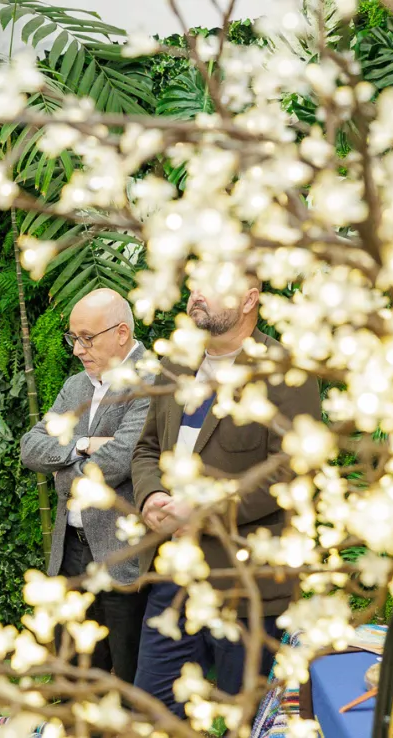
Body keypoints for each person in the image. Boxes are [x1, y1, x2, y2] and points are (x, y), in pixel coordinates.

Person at [131, 280, 322, 717]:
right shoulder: (176, 362)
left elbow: (291, 470)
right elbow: (145, 449)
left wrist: (205, 510)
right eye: (194, 282)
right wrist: (151, 496)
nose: (197, 292)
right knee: (153, 714)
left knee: (245, 718)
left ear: (250, 298)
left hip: (246, 585)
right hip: (172, 580)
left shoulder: (283, 370)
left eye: (211, 283)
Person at [19, 288, 151, 684]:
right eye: (73, 338)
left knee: (132, 682)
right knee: (79, 679)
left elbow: (121, 459)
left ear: (122, 333)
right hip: (71, 552)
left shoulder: (152, 381)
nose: (77, 349)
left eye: (86, 338)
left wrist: (64, 473)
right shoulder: (78, 385)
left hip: (123, 555)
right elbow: (30, 447)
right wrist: (82, 444)